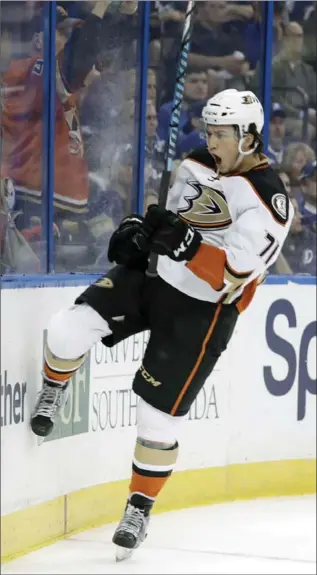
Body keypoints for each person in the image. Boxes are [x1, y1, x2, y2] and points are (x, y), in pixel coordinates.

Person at [30, 89, 293, 560]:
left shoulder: (269, 200)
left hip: (203, 312)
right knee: (65, 330)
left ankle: (138, 507)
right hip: (154, 277)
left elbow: (233, 274)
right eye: (208, 131)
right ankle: (55, 384)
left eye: (221, 134)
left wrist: (187, 245)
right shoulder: (194, 163)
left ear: (249, 137)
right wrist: (144, 232)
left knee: (156, 419)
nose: (210, 140)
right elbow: (173, 221)